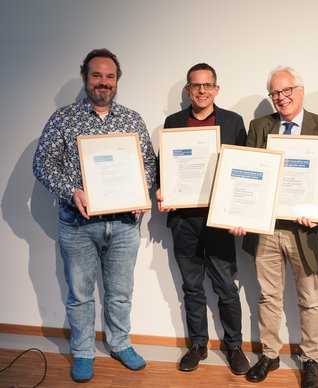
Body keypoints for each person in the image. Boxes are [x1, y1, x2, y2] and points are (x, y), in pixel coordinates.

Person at [33, 48, 157, 383]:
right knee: (81, 294)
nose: (103, 82)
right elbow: (43, 164)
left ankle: (119, 343)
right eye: (97, 75)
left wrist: (141, 192)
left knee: (120, 292)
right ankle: (84, 351)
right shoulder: (63, 118)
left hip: (124, 225)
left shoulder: (131, 119)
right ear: (85, 77)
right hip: (78, 224)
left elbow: (149, 165)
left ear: (117, 81)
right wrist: (71, 191)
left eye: (110, 76)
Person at [231, 66, 318, 388]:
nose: (281, 98)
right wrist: (238, 212)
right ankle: (270, 353)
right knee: (268, 296)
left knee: (310, 298)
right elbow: (248, 174)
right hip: (266, 228)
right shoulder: (259, 127)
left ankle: (310, 359)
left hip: (306, 231)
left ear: (301, 90)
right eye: (275, 93)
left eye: (287, 90)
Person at [155, 63, 249, 375]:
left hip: (219, 220)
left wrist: (240, 212)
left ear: (216, 89)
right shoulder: (173, 122)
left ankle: (234, 345)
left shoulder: (233, 122)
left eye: (208, 85)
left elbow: (244, 172)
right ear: (188, 90)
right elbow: (162, 169)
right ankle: (198, 344)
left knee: (226, 286)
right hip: (184, 221)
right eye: (196, 85)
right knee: (192, 287)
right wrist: (161, 192)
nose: (202, 90)